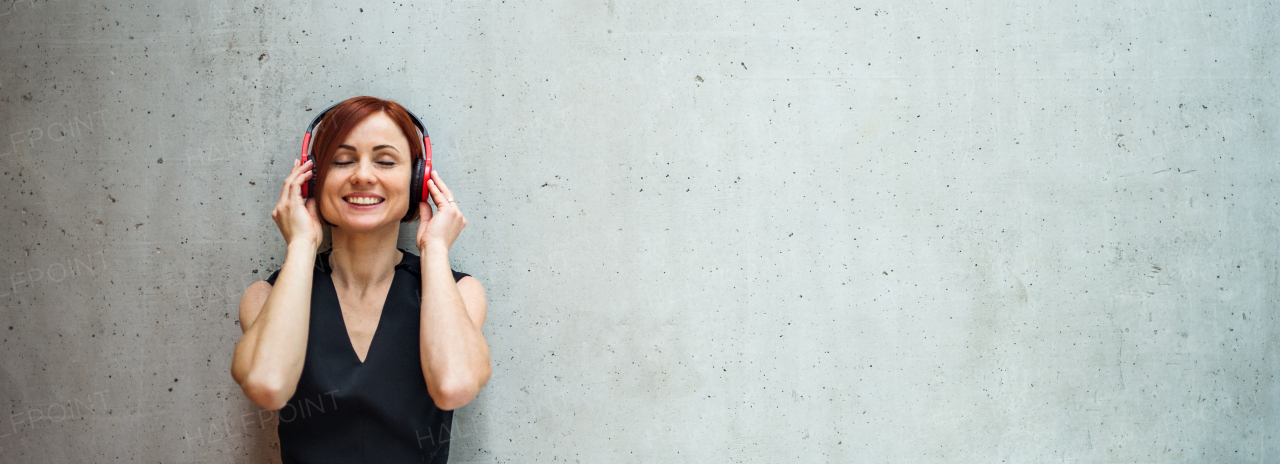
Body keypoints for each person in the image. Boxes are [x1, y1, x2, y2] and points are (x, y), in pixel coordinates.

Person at [230, 96, 490, 463]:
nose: (363, 175)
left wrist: (435, 250)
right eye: (341, 160)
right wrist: (302, 244)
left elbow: (454, 386)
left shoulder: (461, 293)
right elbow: (268, 386)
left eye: (385, 161)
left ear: (419, 180)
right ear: (312, 180)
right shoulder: (265, 296)